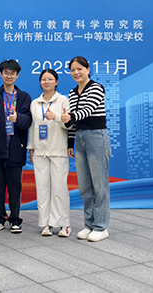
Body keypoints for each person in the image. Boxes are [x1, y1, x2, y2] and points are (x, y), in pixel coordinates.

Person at [61, 56, 111, 242]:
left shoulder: (96, 88)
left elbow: (86, 111)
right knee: (84, 186)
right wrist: (70, 142)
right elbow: (73, 120)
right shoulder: (72, 92)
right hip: (80, 138)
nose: (76, 72)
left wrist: (70, 117)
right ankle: (89, 224)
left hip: (97, 137)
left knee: (100, 185)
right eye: (72, 70)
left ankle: (101, 227)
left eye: (79, 69)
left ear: (88, 69)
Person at [0, 59, 32, 234]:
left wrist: (18, 118)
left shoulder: (24, 97)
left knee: (15, 186)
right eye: (6, 73)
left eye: (12, 73)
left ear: (17, 75)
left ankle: (15, 219)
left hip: (16, 148)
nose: (9, 76)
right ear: (1, 74)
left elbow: (28, 121)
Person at [28, 69, 72, 237]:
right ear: (40, 82)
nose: (47, 82)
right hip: (40, 152)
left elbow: (69, 125)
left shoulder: (63, 101)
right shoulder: (35, 103)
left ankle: (64, 224)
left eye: (50, 79)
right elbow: (32, 128)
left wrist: (56, 117)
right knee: (43, 189)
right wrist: (31, 149)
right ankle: (46, 223)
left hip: (58, 150)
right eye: (44, 79)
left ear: (56, 82)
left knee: (59, 189)